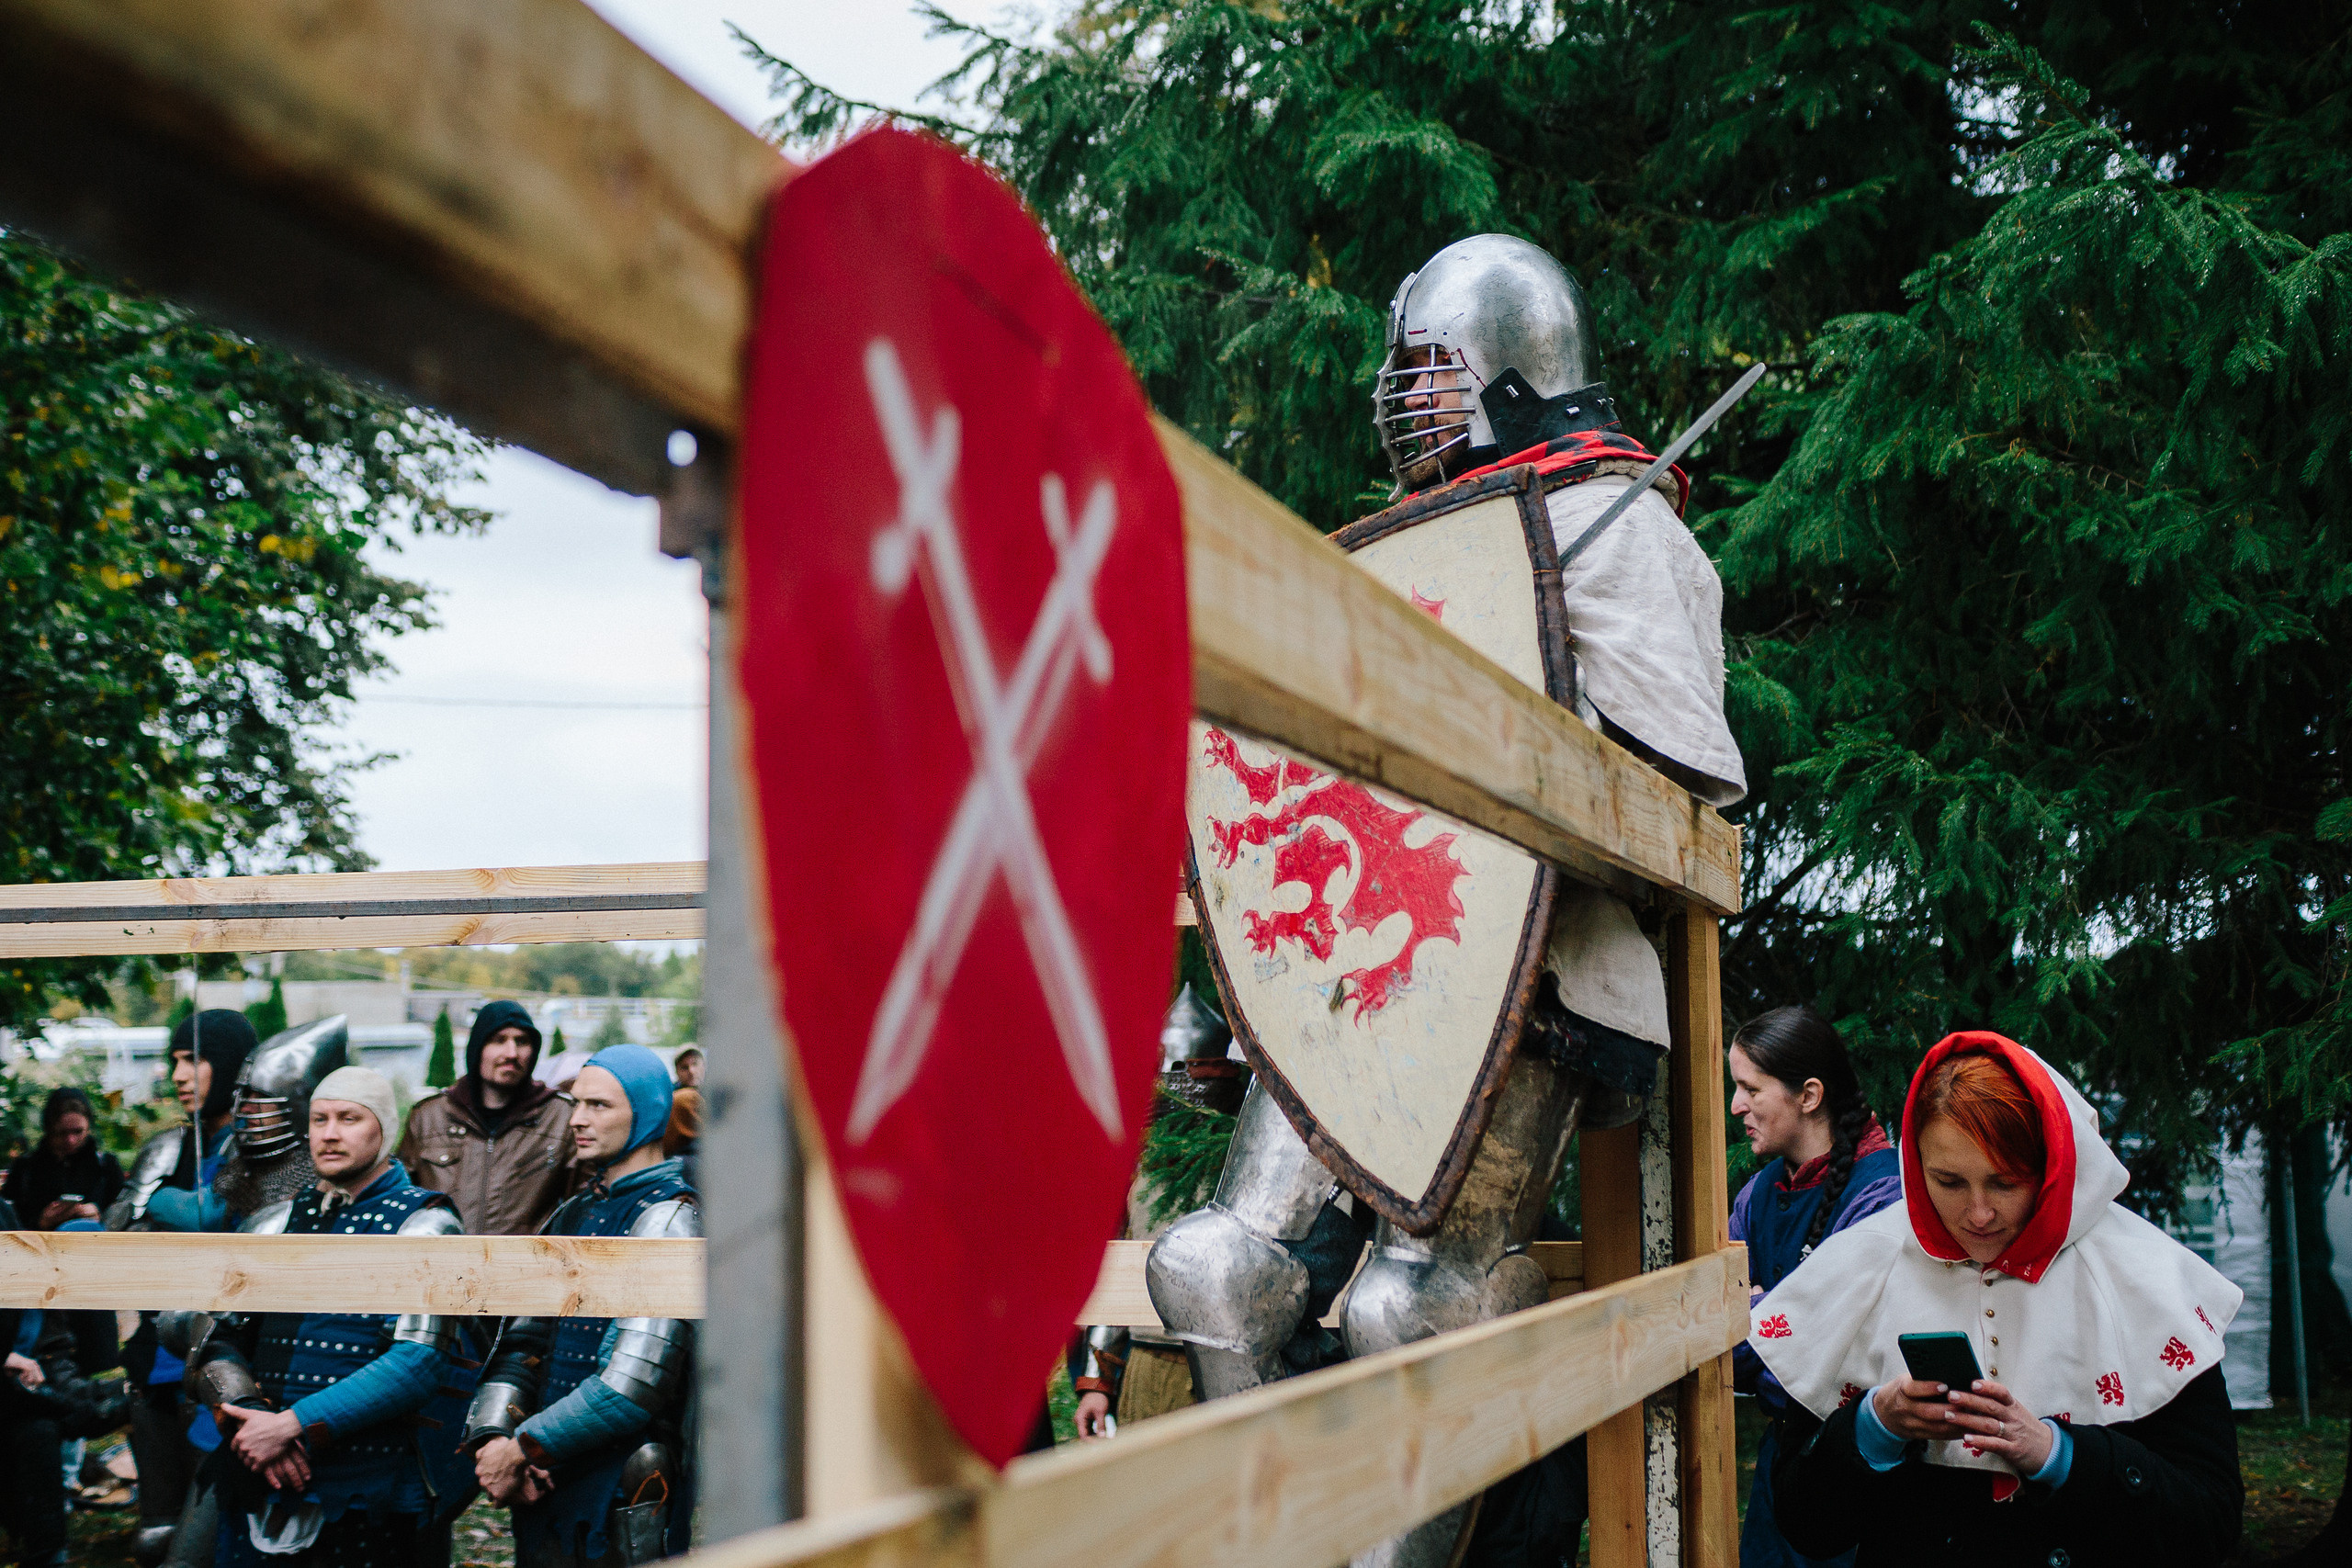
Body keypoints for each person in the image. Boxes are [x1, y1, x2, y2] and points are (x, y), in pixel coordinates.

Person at [1148, 233, 1746, 1568]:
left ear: (1511, 370)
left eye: (1425, 367)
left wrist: (1524, 742)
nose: (1397, 394)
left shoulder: (1615, 515)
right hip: (1354, 967)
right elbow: (1290, 791)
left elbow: (1681, 782)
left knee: (1412, 1308)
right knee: (1210, 1265)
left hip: (1528, 964)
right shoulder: (1408, 551)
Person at [1756, 1032, 2245, 1567]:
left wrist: (2057, 1455)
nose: (1978, 1213)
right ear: (1916, 1168)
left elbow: (2209, 1526)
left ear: (2053, 1168)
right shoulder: (1860, 1266)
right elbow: (1807, 1526)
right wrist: (1875, 1426)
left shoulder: (2146, 1280)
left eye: (2006, 1183)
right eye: (1948, 1181)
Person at [180, 1066, 477, 1568]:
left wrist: (291, 1426)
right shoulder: (275, 1223)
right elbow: (211, 1332)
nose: (330, 1133)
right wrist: (247, 1411)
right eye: (319, 1120)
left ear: (384, 1129)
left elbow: (418, 1363)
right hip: (262, 1470)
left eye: (349, 1118)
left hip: (371, 1482)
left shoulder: (426, 1225)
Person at [463, 1045, 698, 1568]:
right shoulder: (575, 1211)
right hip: (546, 1475)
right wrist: (495, 1436)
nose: (576, 1120)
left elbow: (631, 1387)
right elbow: (524, 1341)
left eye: (599, 1106)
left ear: (648, 1112)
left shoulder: (666, 1221)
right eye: (575, 1103)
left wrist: (520, 1448)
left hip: (621, 1486)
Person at [1724, 1007, 1901, 1568]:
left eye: (1751, 1088)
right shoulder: (1757, 1194)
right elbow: (1717, 1337)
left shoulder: (1886, 1201)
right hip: (1782, 1476)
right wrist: (1775, 1328)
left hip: (1860, 1476)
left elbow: (1834, 1367)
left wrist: (1754, 1317)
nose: (1736, 1107)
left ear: (1809, 1095)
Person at [108, 1009, 260, 1568]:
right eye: (174, 1060)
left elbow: (225, 1218)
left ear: (228, 1067)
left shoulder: (262, 1144)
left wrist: (158, 1205)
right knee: (157, 1529)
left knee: (213, 1535)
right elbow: (117, 1222)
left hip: (223, 1363)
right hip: (156, 1362)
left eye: (193, 1060)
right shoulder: (165, 1147)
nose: (178, 1075)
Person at [396, 1000, 577, 1235]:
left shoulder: (562, 1117)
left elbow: (583, 1205)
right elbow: (400, 1198)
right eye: (498, 1040)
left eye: (522, 1042)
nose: (511, 1053)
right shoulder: (428, 1117)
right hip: (443, 1264)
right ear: (477, 1048)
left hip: (527, 1266)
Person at [5, 1086, 127, 1232]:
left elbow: (123, 1214)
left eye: (77, 1132)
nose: (71, 1140)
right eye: (62, 1133)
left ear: (88, 1128)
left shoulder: (106, 1166)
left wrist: (100, 1215)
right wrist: (42, 1221)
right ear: (50, 1129)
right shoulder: (25, 1168)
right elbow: (9, 1223)